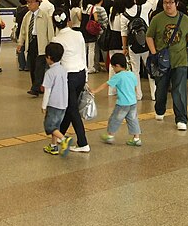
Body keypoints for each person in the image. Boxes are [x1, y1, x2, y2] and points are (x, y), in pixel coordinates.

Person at [145, 0, 188, 131]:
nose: (168, 5)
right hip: (162, 61)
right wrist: (154, 53)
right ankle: (160, 109)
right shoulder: (157, 19)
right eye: (165, 3)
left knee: (179, 90)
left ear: (177, 4)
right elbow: (149, 36)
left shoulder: (184, 18)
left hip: (180, 60)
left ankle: (181, 119)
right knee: (161, 89)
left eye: (170, 2)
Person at [52, 9, 90, 153]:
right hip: (80, 73)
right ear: (68, 20)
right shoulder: (78, 34)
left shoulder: (56, 40)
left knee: (72, 109)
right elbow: (83, 54)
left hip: (67, 77)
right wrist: (86, 76)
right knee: (70, 107)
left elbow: (56, 64)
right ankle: (60, 136)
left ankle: (83, 142)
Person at [93, 52, 141, 146]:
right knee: (133, 120)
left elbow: (106, 85)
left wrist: (95, 91)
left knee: (115, 119)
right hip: (133, 102)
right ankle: (136, 138)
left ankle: (110, 136)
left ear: (118, 66)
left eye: (113, 67)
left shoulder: (118, 76)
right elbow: (135, 87)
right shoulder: (131, 74)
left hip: (122, 104)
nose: (113, 69)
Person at [18, 0, 55, 96]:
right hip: (31, 43)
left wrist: (51, 45)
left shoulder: (45, 16)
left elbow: (50, 32)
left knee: (39, 67)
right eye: (28, 2)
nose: (29, 4)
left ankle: (35, 88)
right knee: (32, 67)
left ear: (37, 3)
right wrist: (20, 43)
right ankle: (37, 86)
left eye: (31, 2)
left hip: (41, 44)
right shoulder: (27, 16)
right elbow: (23, 31)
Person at [121, 0, 155, 101]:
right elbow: (151, 0)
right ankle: (154, 94)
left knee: (135, 70)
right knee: (150, 68)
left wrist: (124, 47)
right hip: (146, 44)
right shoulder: (143, 8)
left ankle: (138, 95)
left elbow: (124, 34)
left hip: (133, 46)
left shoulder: (124, 16)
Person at [41, 42, 72, 156]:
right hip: (63, 103)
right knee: (56, 125)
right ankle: (53, 147)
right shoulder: (63, 69)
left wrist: (44, 106)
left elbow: (47, 90)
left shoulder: (50, 72)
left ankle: (64, 139)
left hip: (54, 104)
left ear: (49, 57)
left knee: (49, 126)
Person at [105, 0, 126, 96]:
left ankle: (111, 90)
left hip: (111, 42)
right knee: (121, 67)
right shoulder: (122, 17)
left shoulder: (111, 16)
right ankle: (119, 90)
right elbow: (123, 31)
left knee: (112, 66)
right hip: (119, 42)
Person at [13, 0, 30, 71]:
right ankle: (27, 65)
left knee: (20, 48)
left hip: (19, 30)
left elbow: (15, 19)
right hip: (26, 31)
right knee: (27, 48)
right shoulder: (27, 10)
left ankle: (21, 65)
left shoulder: (18, 9)